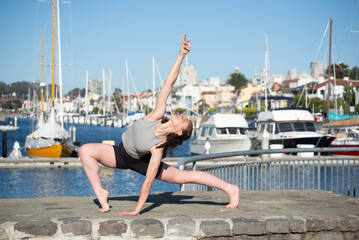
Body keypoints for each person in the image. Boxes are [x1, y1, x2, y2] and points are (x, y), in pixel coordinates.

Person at [79, 34, 239, 215]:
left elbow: (148, 181)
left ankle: (230, 188)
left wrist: (137, 210)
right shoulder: (156, 115)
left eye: (184, 120)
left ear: (178, 131)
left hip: (141, 164)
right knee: (85, 151)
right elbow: (168, 83)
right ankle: (101, 192)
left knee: (186, 177)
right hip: (121, 154)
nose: (181, 115)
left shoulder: (158, 146)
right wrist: (181, 56)